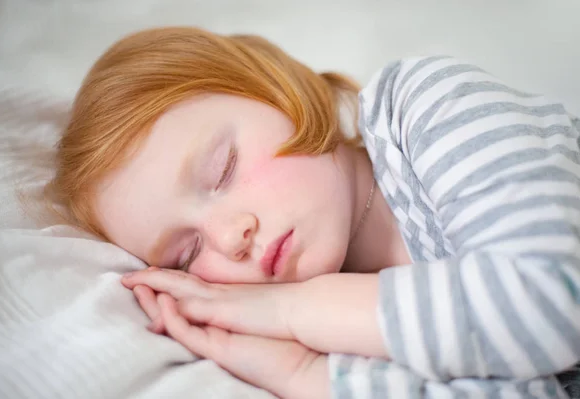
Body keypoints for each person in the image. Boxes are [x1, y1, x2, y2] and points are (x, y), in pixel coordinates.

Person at [49, 26, 580, 398]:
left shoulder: (422, 104)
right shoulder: (343, 326)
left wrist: (291, 309)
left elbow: (553, 300)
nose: (231, 236)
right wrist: (304, 373)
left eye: (223, 169)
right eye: (186, 254)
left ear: (277, 92)